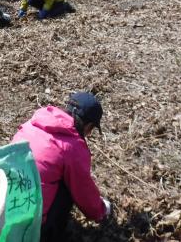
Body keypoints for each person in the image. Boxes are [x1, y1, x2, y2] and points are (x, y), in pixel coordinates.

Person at [13, 92, 111, 241]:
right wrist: (101, 210)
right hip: (30, 226)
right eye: (91, 129)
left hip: (5, 206)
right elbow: (83, 190)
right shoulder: (72, 147)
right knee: (68, 186)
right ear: (89, 126)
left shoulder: (31, 124)